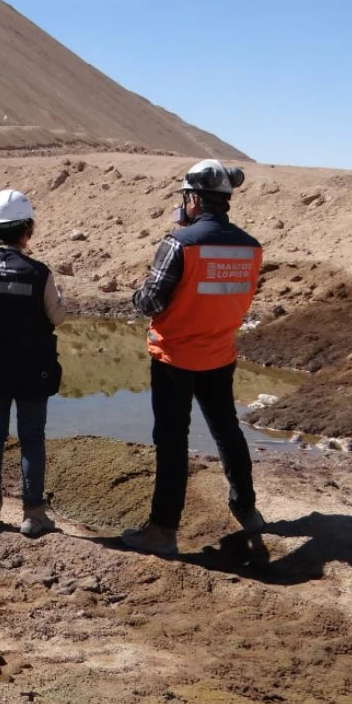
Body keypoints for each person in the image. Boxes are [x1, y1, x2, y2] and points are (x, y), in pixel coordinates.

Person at [122, 159, 265, 555]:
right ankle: (247, 508)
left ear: (194, 199)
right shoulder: (251, 247)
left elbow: (149, 302)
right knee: (227, 431)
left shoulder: (179, 244)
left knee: (171, 441)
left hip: (175, 357)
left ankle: (163, 529)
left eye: (185, 197)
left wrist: (137, 290)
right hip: (220, 353)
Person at [0, 189, 66, 537]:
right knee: (32, 437)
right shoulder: (37, 273)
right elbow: (57, 316)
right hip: (32, 370)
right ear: (26, 230)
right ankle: (33, 515)